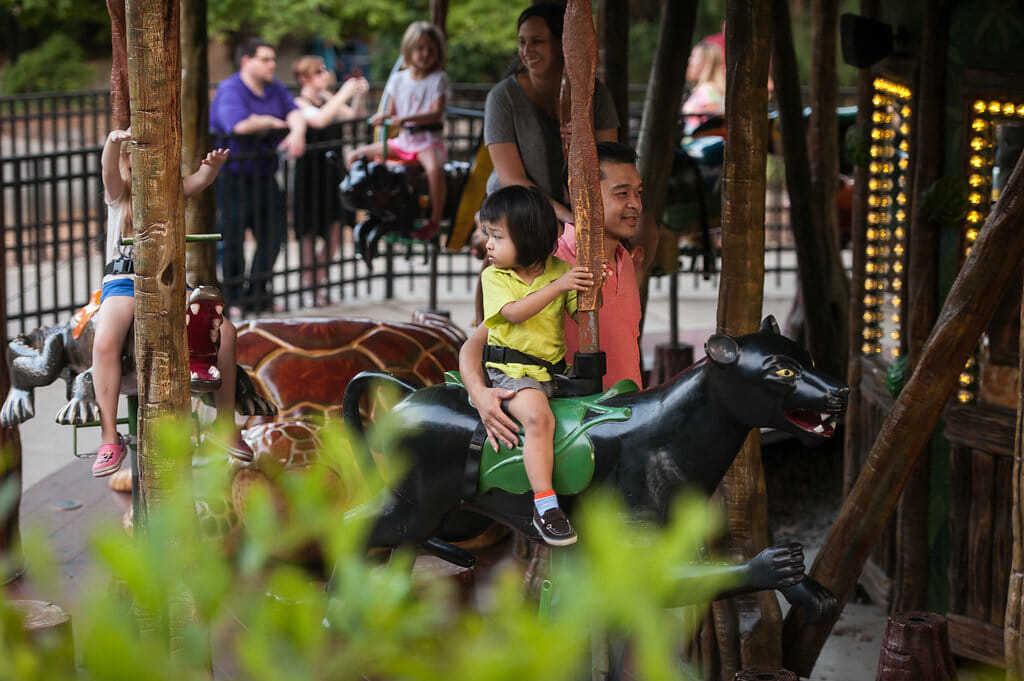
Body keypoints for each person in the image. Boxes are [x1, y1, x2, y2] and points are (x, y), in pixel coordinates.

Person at [461, 141, 645, 453]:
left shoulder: (624, 260)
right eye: (622, 193)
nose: (636, 205)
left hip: (626, 423)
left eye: (638, 193)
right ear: (582, 195)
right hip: (577, 435)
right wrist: (480, 394)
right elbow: (477, 343)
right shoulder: (546, 264)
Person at [91, 130, 251, 477]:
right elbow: (107, 169)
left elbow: (199, 182)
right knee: (105, 339)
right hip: (126, 281)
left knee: (225, 331)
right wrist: (113, 141)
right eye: (137, 156)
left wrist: (211, 168)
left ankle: (225, 423)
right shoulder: (120, 194)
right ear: (128, 162)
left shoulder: (171, 192)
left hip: (170, 280)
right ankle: (108, 437)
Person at [475, 185, 594, 546]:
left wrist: (593, 284)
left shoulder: (560, 270)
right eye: (487, 235)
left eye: (496, 236)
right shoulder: (495, 277)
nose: (487, 245)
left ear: (527, 238)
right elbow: (513, 313)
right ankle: (545, 507)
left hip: (551, 373)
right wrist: (559, 287)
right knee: (539, 418)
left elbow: (583, 313)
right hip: (511, 374)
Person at [483, 2, 619, 225]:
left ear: (560, 43)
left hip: (578, 205)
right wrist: (568, 219)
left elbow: (611, 164)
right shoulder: (502, 98)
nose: (527, 51)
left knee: (646, 229)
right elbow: (513, 179)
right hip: (522, 206)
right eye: (522, 42)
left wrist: (586, 143)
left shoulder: (595, 94)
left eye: (537, 42)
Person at [210, 37, 307, 315]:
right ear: (246, 61)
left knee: (273, 237)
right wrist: (268, 122)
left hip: (265, 177)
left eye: (273, 59)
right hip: (233, 178)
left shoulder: (273, 87)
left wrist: (297, 132)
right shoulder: (231, 90)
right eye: (265, 59)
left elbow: (295, 112)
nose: (272, 64)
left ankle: (258, 293)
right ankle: (235, 296)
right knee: (232, 240)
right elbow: (238, 125)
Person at [345, 21, 450, 241]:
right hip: (404, 141)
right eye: (420, 48)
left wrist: (403, 119)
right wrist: (383, 117)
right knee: (356, 155)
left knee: (434, 170)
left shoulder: (438, 79)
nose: (425, 54)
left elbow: (436, 113)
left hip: (427, 142)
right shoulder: (398, 79)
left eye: (430, 50)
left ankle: (434, 220)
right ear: (410, 50)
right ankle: (372, 207)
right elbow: (390, 111)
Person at [292, 55, 369, 306]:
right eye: (318, 71)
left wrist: (358, 95)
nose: (325, 75)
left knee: (336, 228)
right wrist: (343, 93)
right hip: (309, 174)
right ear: (304, 78)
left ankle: (319, 281)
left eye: (325, 70)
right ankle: (307, 286)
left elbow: (352, 118)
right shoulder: (298, 103)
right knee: (308, 232)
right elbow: (320, 119)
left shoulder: (328, 99)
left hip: (331, 172)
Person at [682, 41, 726, 136]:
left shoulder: (707, 89)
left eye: (694, 56)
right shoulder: (709, 88)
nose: (689, 60)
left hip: (696, 146)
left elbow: (712, 123)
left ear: (706, 62)